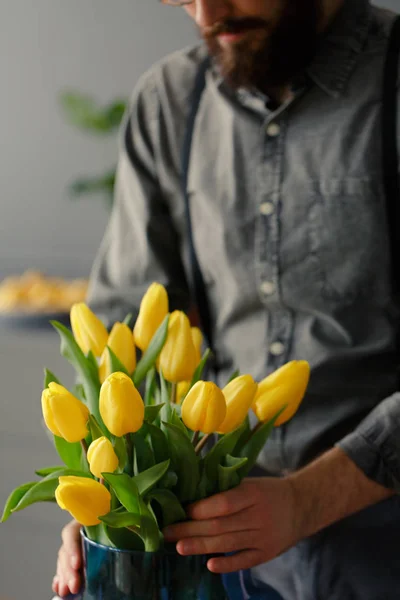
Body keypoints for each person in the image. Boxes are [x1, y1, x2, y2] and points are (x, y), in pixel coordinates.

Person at [52, 0, 400, 598]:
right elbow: (123, 334)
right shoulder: (169, 102)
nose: (207, 12)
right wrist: (112, 506)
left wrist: (308, 499)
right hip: (214, 564)